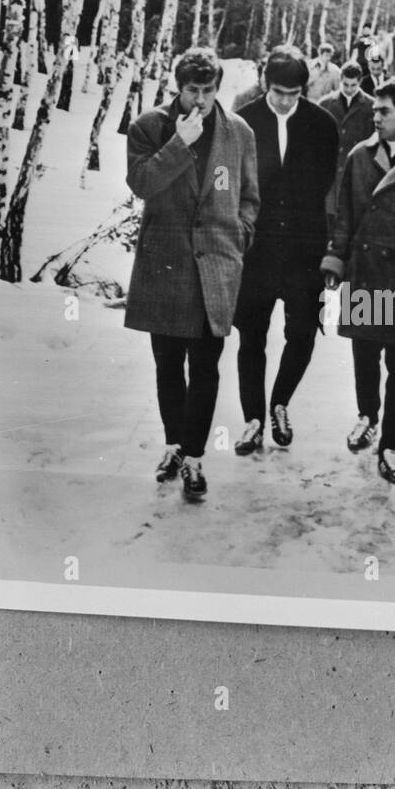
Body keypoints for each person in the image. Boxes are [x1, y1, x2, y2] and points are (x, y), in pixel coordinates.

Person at [124, 48, 260, 500]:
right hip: (165, 268)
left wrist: (238, 237)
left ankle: (196, 459)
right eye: (191, 90)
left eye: (208, 90)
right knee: (168, 367)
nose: (199, 99)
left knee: (205, 367)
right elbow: (142, 183)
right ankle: (175, 445)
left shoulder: (238, 132)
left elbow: (248, 197)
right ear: (176, 87)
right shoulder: (149, 127)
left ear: (217, 87)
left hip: (215, 269)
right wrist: (179, 143)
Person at [320, 78, 395, 484]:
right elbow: (345, 216)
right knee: (364, 356)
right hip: (366, 271)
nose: (375, 116)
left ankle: (391, 444)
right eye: (374, 110)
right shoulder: (360, 155)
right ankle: (367, 416)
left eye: (383, 111)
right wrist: (336, 261)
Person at [233, 46, 341, 453]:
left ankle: (280, 403)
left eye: (294, 93)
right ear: (265, 83)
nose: (284, 100)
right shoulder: (243, 122)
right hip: (256, 251)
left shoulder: (322, 125)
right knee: (252, 337)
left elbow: (323, 185)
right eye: (278, 91)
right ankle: (253, 419)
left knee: (301, 333)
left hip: (303, 250)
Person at [318, 61, 375, 220]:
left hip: (357, 173)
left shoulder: (372, 107)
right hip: (330, 173)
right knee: (328, 216)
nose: (349, 89)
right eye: (345, 84)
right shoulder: (325, 103)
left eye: (353, 85)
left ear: (360, 81)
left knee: (351, 216)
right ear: (340, 79)